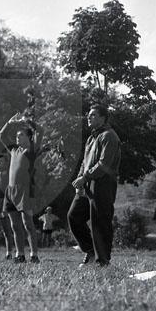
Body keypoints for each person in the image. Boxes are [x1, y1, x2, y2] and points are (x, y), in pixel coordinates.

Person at [68, 104, 121, 267]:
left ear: (103, 118)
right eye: (89, 115)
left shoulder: (109, 136)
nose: (89, 117)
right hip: (87, 184)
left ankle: (103, 261)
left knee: (100, 222)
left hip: (103, 184)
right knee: (74, 216)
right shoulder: (92, 138)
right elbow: (85, 162)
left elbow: (104, 164)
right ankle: (90, 251)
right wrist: (80, 179)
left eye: (93, 115)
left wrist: (85, 177)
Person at [0, 112, 44, 263]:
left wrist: (28, 121)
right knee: (15, 225)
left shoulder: (31, 150)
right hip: (10, 191)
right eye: (17, 135)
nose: (17, 137)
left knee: (27, 224)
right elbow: (1, 135)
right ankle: (20, 255)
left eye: (21, 135)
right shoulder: (13, 150)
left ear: (29, 138)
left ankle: (34, 255)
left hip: (25, 191)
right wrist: (10, 123)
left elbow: (41, 131)